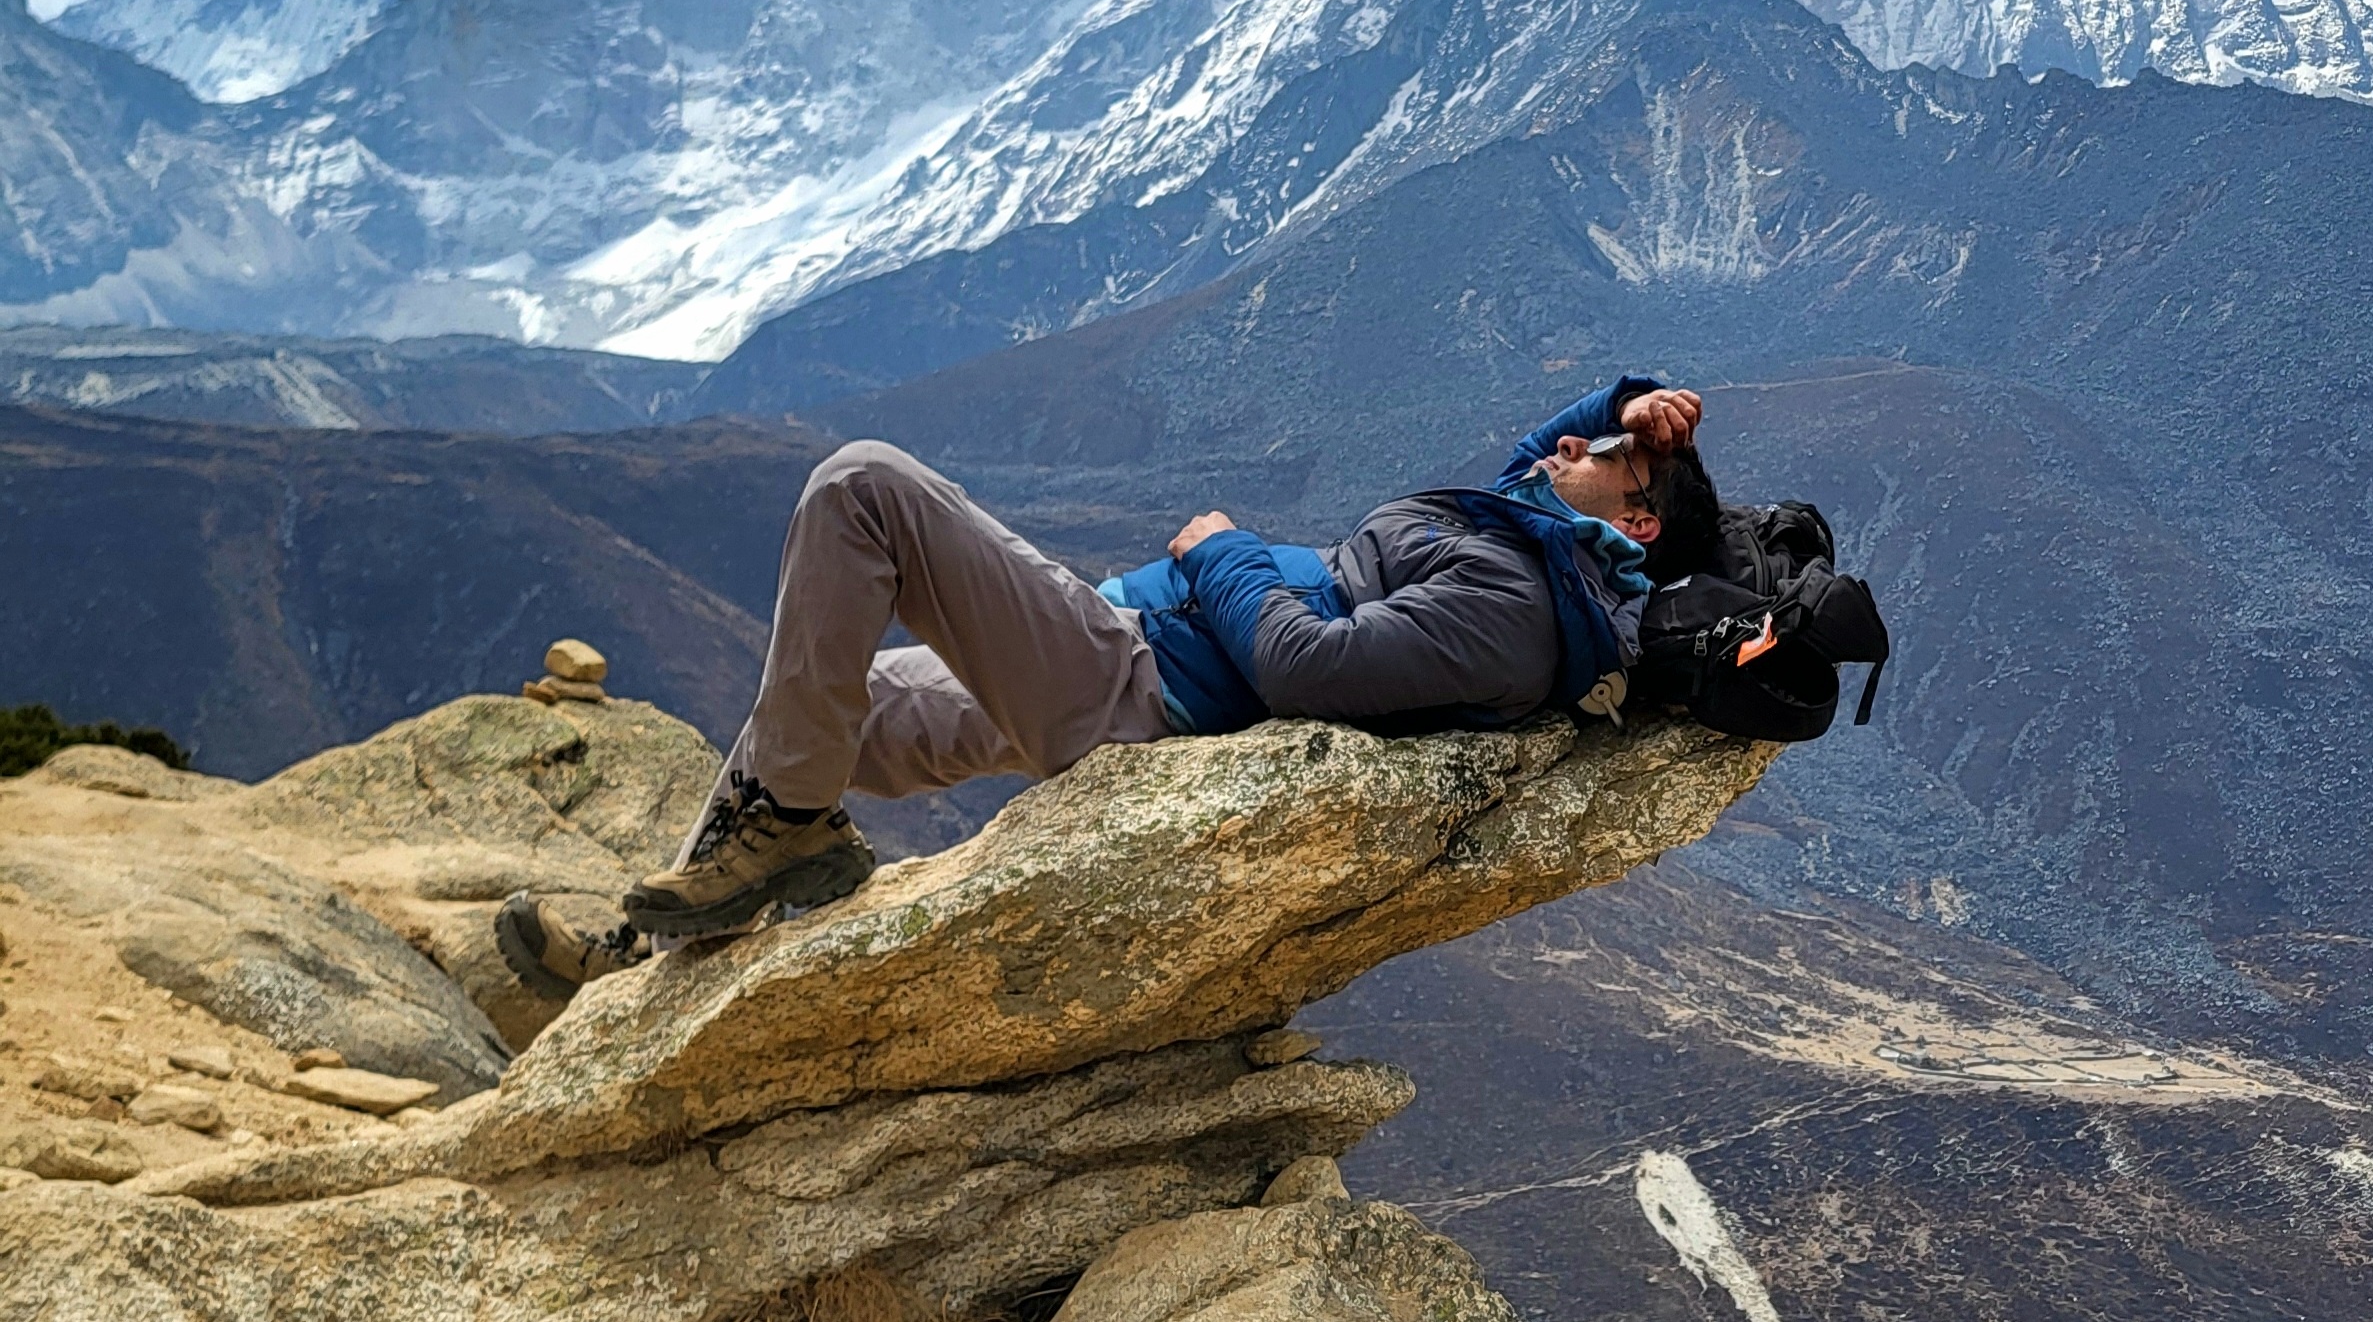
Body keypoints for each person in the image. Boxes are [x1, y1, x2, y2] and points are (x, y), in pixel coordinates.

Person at [495, 372, 1713, 1000]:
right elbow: (1530, 457)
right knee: (822, 708)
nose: (1569, 449)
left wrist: (1216, 549)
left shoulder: (1513, 614)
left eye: (1603, 457)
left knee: (860, 486)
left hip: (1137, 684)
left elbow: (1305, 669)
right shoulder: (1533, 537)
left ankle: (782, 838)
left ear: (1641, 525)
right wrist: (1622, 405)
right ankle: (663, 949)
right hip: (1129, 645)